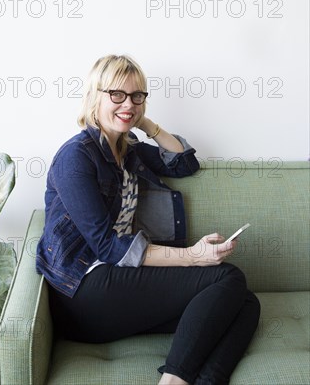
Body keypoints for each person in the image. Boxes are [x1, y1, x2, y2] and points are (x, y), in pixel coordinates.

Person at [36, 54, 260, 385]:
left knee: (245, 302)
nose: (128, 103)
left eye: (137, 96)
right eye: (117, 95)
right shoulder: (76, 157)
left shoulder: (129, 151)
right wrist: (192, 257)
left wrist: (143, 123)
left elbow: (185, 164)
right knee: (226, 278)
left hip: (120, 282)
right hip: (85, 292)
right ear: (95, 96)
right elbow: (108, 247)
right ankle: (171, 382)